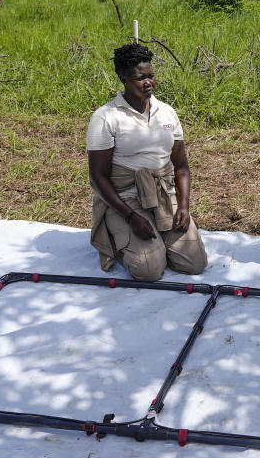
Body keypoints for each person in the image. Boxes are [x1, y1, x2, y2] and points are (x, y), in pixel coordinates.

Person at [87, 43, 208, 281]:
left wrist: (183, 206)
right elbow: (98, 177)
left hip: (163, 194)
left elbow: (181, 166)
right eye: (139, 78)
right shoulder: (106, 117)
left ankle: (159, 238)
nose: (148, 82)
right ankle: (116, 238)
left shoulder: (166, 113)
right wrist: (131, 217)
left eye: (151, 76)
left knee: (195, 263)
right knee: (148, 270)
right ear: (123, 79)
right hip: (126, 197)